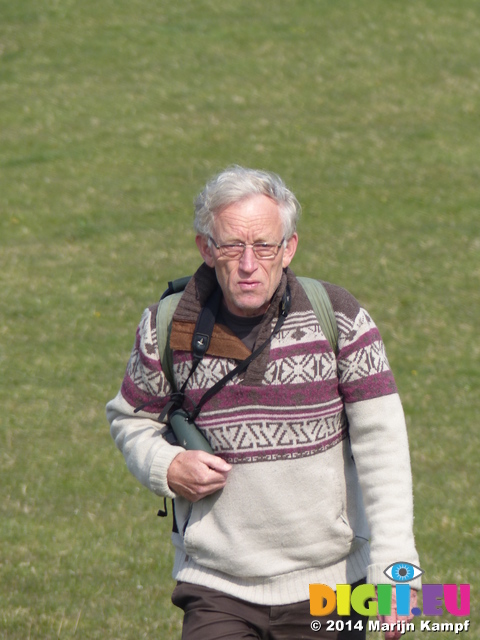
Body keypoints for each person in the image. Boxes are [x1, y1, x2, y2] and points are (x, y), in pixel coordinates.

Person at [106, 166, 421, 640]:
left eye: (264, 246)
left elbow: (385, 449)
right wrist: (165, 465)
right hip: (216, 585)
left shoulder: (340, 317)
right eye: (232, 245)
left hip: (332, 587)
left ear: (289, 248)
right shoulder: (167, 325)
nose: (248, 263)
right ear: (206, 249)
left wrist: (397, 569)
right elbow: (131, 419)